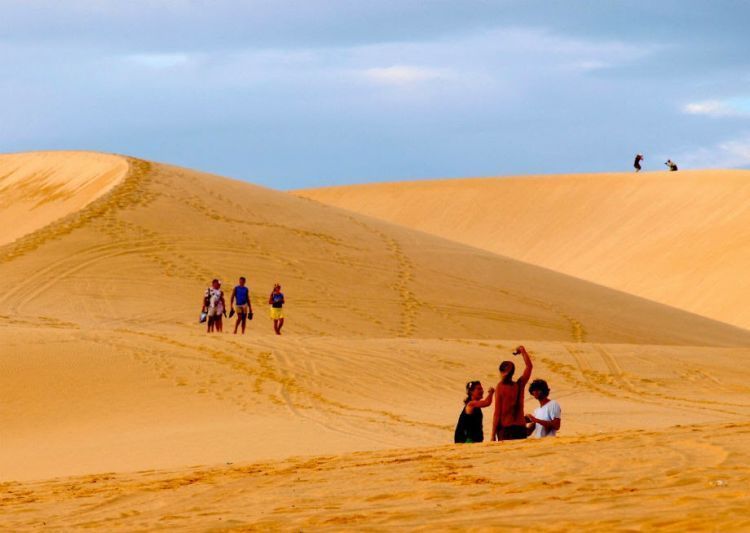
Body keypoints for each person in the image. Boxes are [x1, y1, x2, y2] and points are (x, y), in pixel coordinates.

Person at [491, 345, 533, 441]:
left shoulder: (500, 387)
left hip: (506, 430)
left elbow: (497, 413)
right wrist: (522, 350)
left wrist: (493, 434)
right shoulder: (519, 385)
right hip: (521, 428)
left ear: (501, 372)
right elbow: (529, 367)